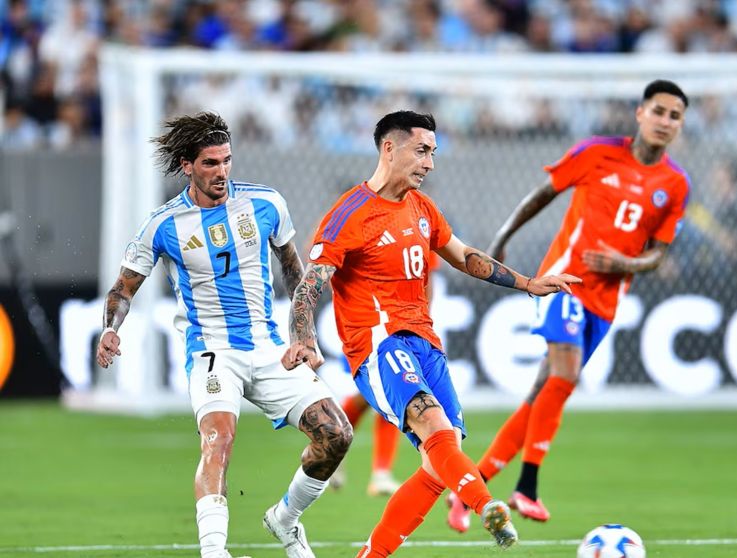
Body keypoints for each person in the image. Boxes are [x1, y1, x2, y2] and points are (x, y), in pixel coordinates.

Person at [283, 110, 579, 557]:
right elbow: (311, 282)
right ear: (389, 148)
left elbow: (464, 255)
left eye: (433, 153)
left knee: (440, 460)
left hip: (426, 344)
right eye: (421, 151)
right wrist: (303, 337)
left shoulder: (422, 208)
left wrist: (528, 283)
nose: (430, 163)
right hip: (379, 342)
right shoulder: (350, 213)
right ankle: (484, 505)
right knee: (432, 424)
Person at [96, 112, 352, 558]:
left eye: (227, 160)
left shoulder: (266, 204)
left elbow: (296, 272)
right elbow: (122, 289)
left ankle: (285, 520)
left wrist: (303, 335)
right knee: (219, 440)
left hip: (269, 345)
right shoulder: (163, 224)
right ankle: (214, 552)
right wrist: (110, 329)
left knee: (336, 435)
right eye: (210, 163)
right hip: (212, 349)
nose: (221, 172)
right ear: (186, 165)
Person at [447, 79, 693, 531]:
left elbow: (659, 253)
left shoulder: (675, 185)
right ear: (640, 113)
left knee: (543, 395)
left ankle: (468, 490)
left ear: (680, 126)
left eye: (675, 116)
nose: (665, 121)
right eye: (658, 111)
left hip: (607, 298)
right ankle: (527, 486)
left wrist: (626, 262)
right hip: (563, 281)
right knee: (565, 373)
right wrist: (501, 240)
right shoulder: (597, 152)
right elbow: (541, 196)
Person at [331, 252, 443, 497]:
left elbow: (426, 276)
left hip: (405, 326)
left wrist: (423, 320)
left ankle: (381, 473)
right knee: (368, 396)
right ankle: (332, 445)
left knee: (400, 392)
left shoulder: (420, 219)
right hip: (367, 325)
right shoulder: (350, 219)